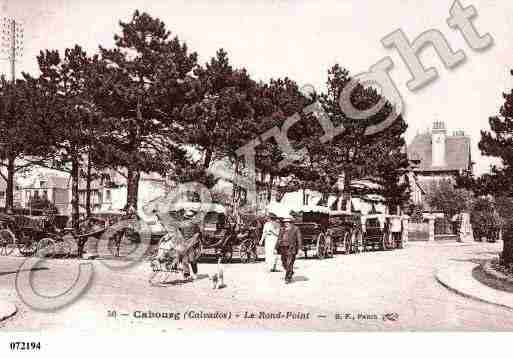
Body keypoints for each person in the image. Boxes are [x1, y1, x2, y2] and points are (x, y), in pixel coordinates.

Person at [275, 214, 302, 284]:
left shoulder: (295, 229)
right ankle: (290, 271)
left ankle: (287, 278)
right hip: (283, 247)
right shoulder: (282, 229)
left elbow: (299, 239)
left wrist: (300, 249)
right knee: (283, 262)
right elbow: (279, 238)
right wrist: (275, 248)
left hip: (291, 248)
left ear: (291, 222)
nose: (286, 223)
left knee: (289, 263)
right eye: (285, 222)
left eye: (288, 222)